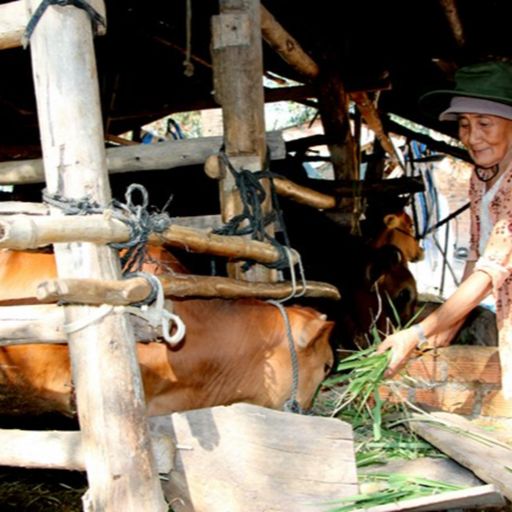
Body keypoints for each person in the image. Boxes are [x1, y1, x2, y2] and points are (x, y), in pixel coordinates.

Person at [377, 60, 512, 398]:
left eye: (485, 123)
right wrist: (448, 326)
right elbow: (478, 258)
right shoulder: (483, 177)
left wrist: (420, 332)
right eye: (465, 124)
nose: (472, 136)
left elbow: (490, 272)